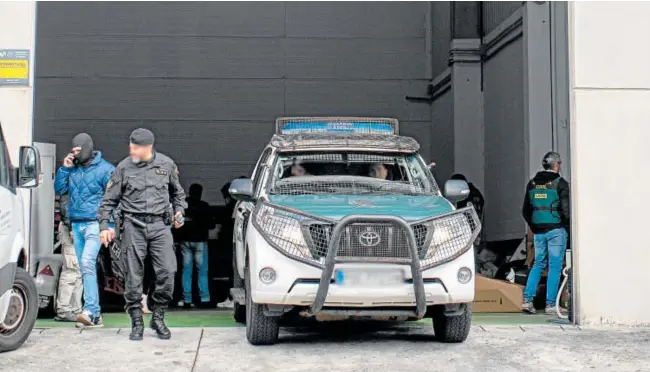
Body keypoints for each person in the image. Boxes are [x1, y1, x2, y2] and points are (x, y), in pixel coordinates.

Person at [97, 128, 187, 341]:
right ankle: (136, 321)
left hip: (160, 226)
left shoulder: (166, 165)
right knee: (133, 276)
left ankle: (158, 316)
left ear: (148, 147)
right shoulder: (123, 168)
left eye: (136, 147)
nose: (131, 149)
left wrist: (179, 211)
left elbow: (178, 194)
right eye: (131, 145)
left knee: (167, 271)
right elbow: (109, 200)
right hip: (132, 226)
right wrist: (103, 226)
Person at [54, 133, 115, 328]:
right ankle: (95, 315)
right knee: (83, 267)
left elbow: (114, 200)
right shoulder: (72, 169)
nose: (76, 154)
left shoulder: (106, 170)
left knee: (87, 263)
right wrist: (64, 167)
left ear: (88, 148)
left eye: (78, 151)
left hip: (95, 224)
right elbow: (59, 188)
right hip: (77, 224)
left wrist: (110, 226)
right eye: (73, 151)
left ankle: (89, 310)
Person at [521, 152, 570, 315]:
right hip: (556, 230)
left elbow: (525, 210)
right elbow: (566, 210)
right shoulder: (560, 183)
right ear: (557, 164)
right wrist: (567, 226)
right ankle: (550, 305)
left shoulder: (532, 183)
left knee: (538, 264)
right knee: (555, 267)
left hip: (538, 232)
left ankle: (527, 301)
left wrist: (534, 226)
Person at [176, 184, 215, 309]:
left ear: (189, 191)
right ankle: (205, 299)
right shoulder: (205, 206)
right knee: (202, 271)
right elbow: (211, 225)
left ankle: (187, 300)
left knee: (187, 271)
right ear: (200, 192)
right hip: (200, 241)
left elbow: (177, 222)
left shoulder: (183, 205)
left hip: (185, 241)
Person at [54, 195, 83, 322]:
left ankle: (75, 309)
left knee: (77, 270)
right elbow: (67, 202)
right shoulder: (74, 176)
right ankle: (64, 309)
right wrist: (72, 226)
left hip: (77, 225)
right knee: (72, 269)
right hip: (73, 227)